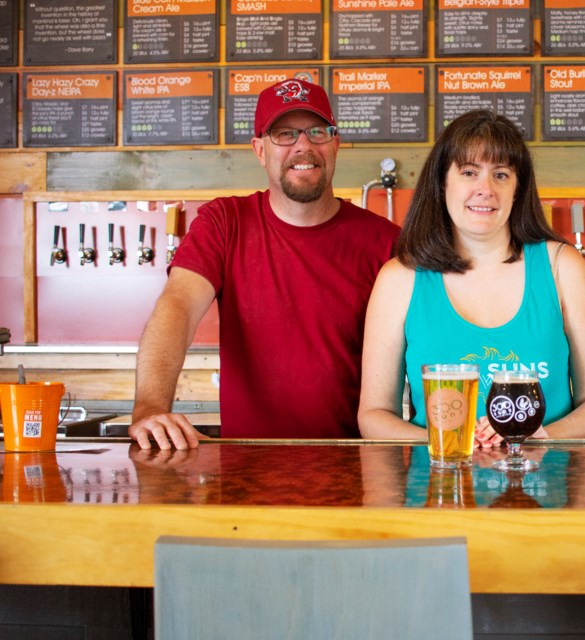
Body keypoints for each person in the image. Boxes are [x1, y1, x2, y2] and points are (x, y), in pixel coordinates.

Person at [130, 78, 400, 450]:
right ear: (259, 149)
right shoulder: (223, 222)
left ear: (335, 144)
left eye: (317, 132)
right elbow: (178, 306)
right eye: (284, 133)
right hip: (248, 473)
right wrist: (150, 406)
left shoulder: (386, 242)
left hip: (354, 472)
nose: (303, 146)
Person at [358, 109, 585, 444]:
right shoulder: (399, 278)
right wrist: (452, 440)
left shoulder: (561, 266)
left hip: (549, 487)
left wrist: (539, 437)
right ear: (442, 183)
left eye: (501, 175)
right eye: (468, 172)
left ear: (518, 189)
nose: (485, 189)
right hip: (441, 488)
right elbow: (374, 415)